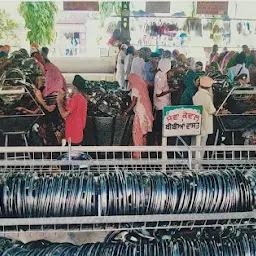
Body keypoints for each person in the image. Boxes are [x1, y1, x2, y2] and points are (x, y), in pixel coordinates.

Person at [121, 73, 154, 159]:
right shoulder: (142, 85)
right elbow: (150, 84)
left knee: (137, 133)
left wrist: (126, 112)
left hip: (140, 113)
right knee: (144, 133)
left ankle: (137, 154)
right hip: (146, 111)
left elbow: (134, 102)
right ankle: (143, 152)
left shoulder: (135, 88)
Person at [57, 75, 88, 146]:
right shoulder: (83, 99)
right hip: (79, 133)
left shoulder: (75, 99)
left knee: (71, 154)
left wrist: (59, 101)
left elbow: (64, 114)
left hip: (72, 134)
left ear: (75, 87)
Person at [153, 58, 176, 145]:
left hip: (163, 104)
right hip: (161, 104)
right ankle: (160, 144)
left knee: (162, 125)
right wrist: (170, 91)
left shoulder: (160, 74)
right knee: (160, 126)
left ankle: (161, 142)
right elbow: (158, 94)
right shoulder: (160, 76)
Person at [192, 76, 216, 147]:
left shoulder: (197, 94)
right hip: (204, 124)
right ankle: (198, 158)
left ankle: (193, 157)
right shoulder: (206, 96)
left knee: (195, 143)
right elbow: (211, 110)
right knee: (202, 144)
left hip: (197, 123)